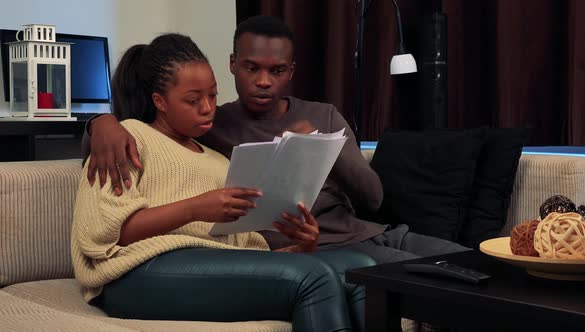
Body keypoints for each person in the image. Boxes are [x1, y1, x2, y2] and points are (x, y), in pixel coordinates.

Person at [83, 16, 468, 265]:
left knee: (474, 267)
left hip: (375, 234)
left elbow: (374, 199)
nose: (263, 81)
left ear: (291, 72)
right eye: (251, 68)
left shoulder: (323, 114)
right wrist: (100, 122)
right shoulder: (211, 126)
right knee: (437, 285)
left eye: (276, 70)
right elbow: (143, 142)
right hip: (320, 251)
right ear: (233, 64)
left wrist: (321, 148)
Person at [72, 33, 374, 332]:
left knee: (362, 270)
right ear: (159, 101)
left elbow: (241, 252)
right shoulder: (127, 139)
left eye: (213, 95)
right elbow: (107, 234)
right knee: (314, 278)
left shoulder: (219, 160)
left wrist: (301, 248)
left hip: (208, 264)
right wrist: (196, 208)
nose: (207, 108)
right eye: (193, 100)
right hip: (134, 274)